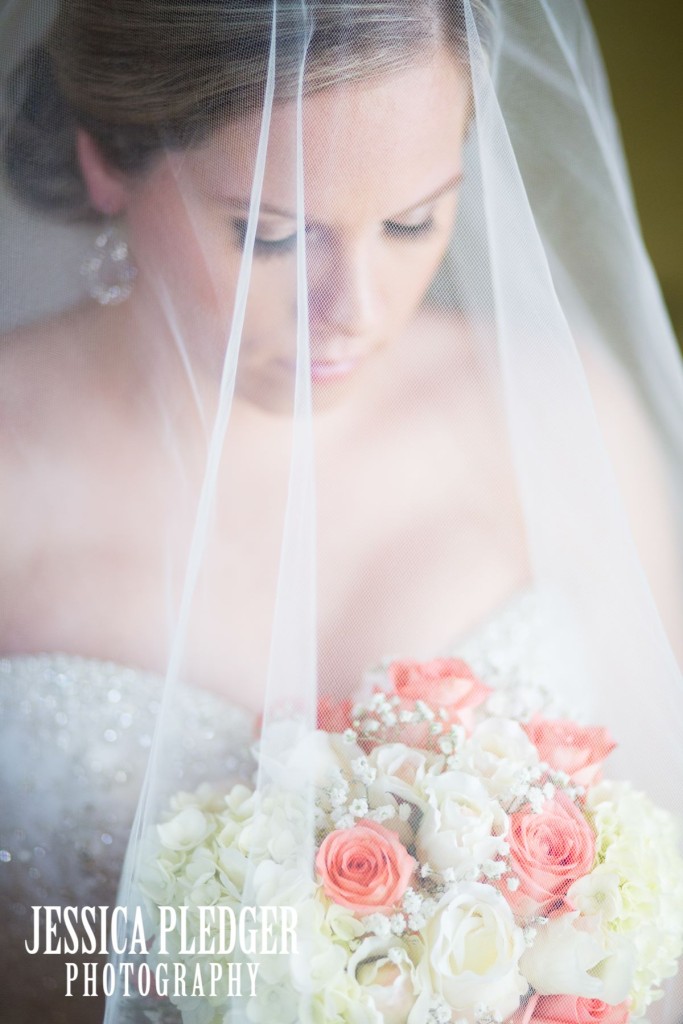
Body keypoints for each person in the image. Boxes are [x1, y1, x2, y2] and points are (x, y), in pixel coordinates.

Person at [0, 1, 682, 1022]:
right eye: (269, 234)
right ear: (107, 161)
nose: (355, 306)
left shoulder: (552, 408)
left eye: (413, 220)